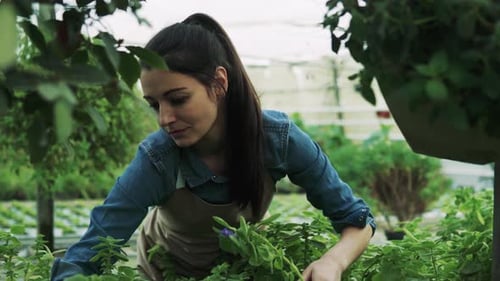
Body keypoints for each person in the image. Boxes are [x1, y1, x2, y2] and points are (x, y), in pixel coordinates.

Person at [50, 13, 376, 281]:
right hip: (165, 272)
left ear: (219, 83)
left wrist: (333, 262)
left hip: (240, 270)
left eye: (178, 99)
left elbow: (356, 219)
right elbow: (87, 254)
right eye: (153, 104)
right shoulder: (158, 160)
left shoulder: (278, 140)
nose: (164, 118)